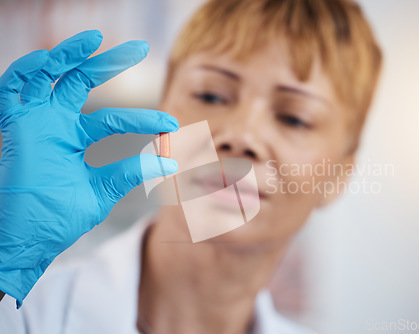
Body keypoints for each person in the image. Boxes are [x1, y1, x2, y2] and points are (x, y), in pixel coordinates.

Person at [0, 0, 382, 333]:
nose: (241, 135)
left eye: (294, 118)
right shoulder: (23, 317)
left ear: (338, 177)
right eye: (211, 95)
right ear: (162, 112)